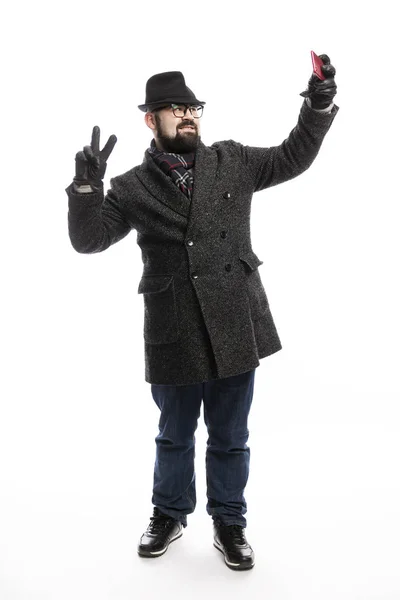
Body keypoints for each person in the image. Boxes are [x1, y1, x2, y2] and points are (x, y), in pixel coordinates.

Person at [65, 57, 339, 571]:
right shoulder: (129, 187)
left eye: (194, 107)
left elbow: (292, 157)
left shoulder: (232, 160)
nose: (188, 116)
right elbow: (88, 240)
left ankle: (229, 521)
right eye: (176, 110)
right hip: (174, 328)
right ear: (152, 120)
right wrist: (87, 189)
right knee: (174, 433)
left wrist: (317, 105)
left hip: (236, 319)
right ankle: (168, 514)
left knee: (231, 436)